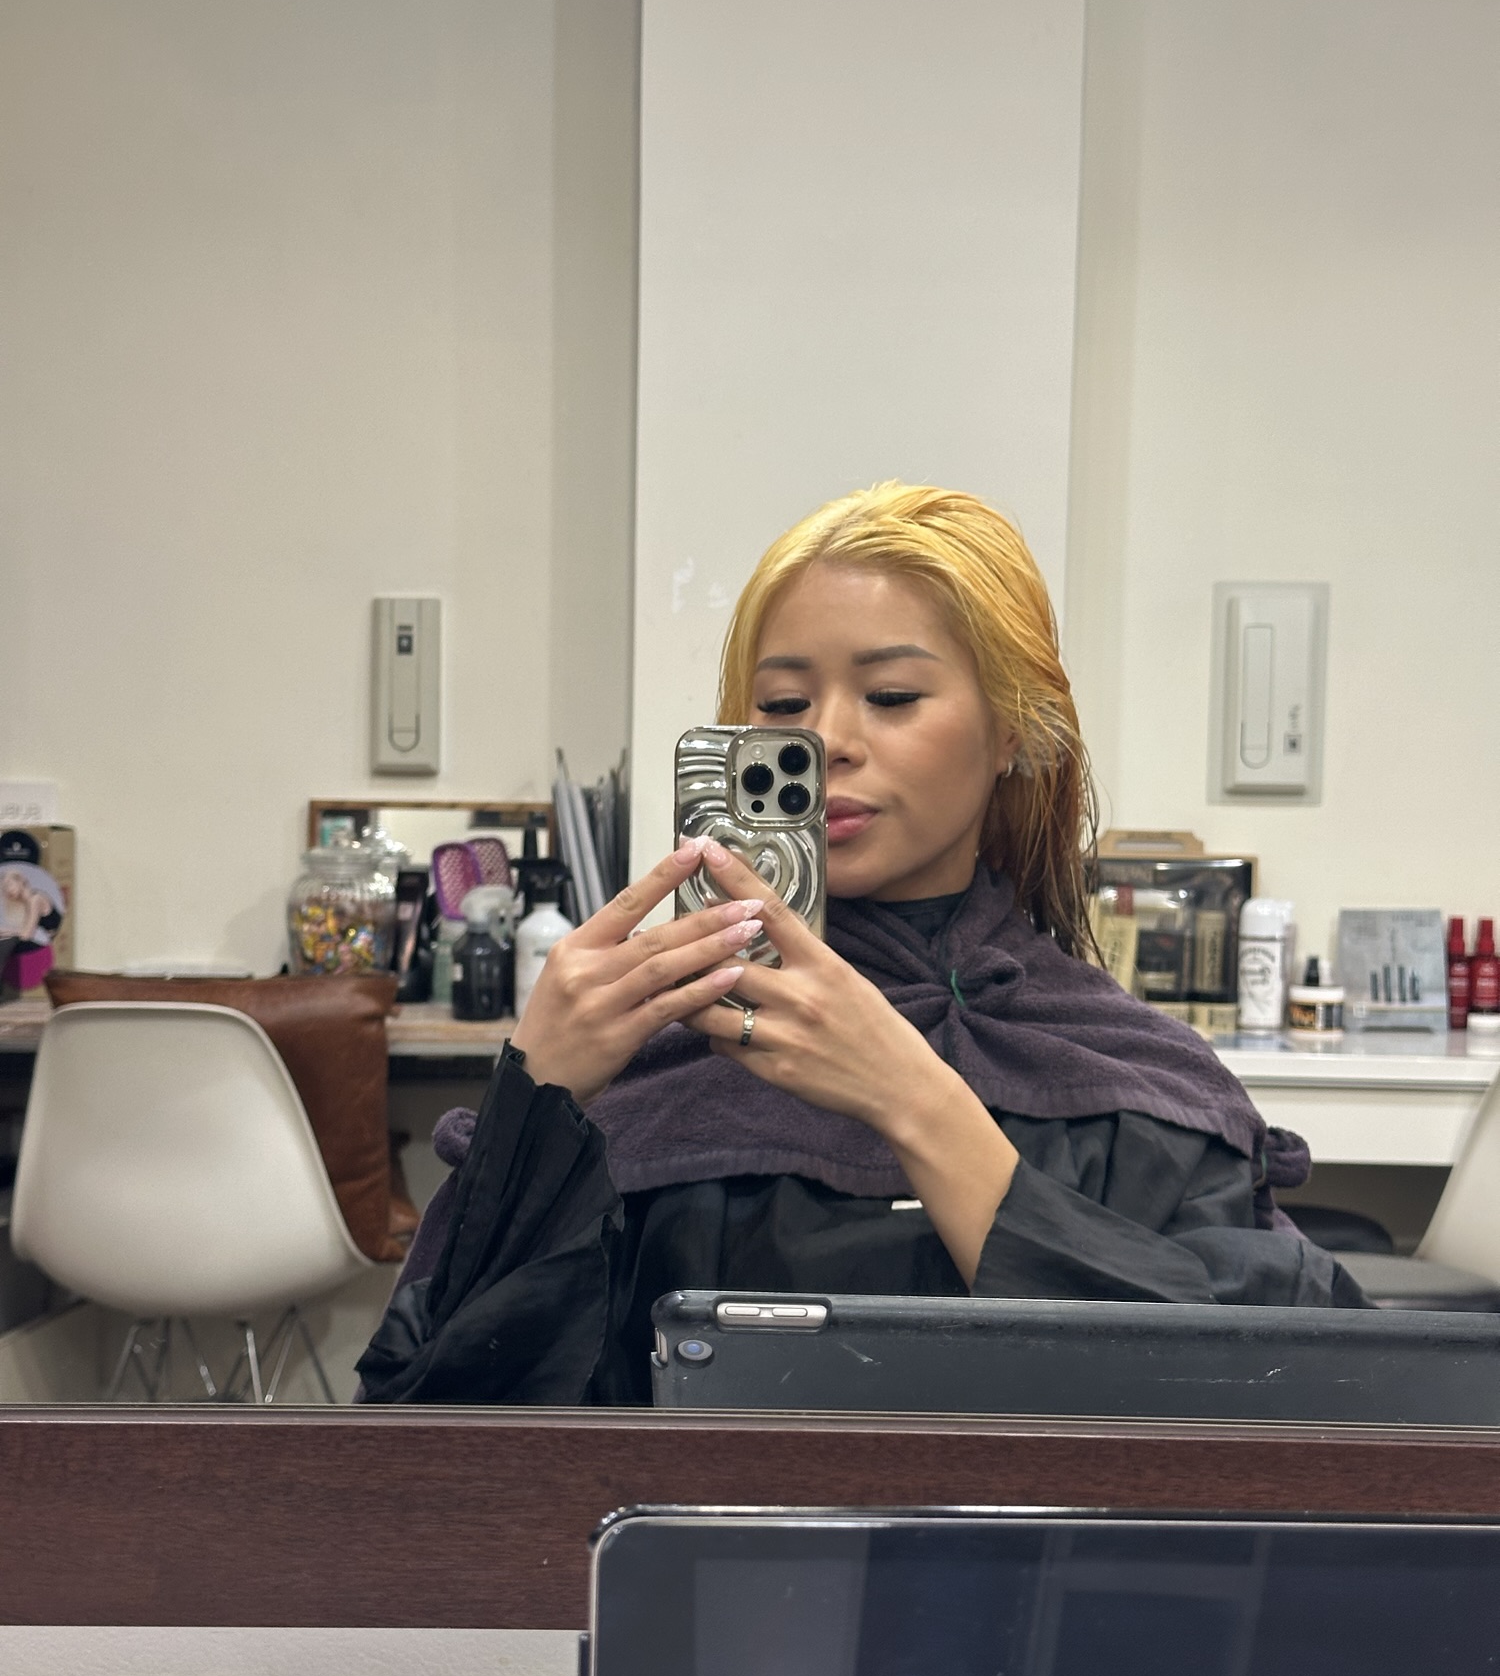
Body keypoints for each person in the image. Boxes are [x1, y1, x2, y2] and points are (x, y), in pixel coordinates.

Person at [357, 484, 1358, 1405]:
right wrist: (540, 1104)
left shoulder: (1133, 1077)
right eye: (784, 704)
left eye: (891, 696)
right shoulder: (654, 1061)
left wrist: (911, 1099)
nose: (828, 738)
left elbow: (1270, 1411)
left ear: (1012, 726)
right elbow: (432, 1441)